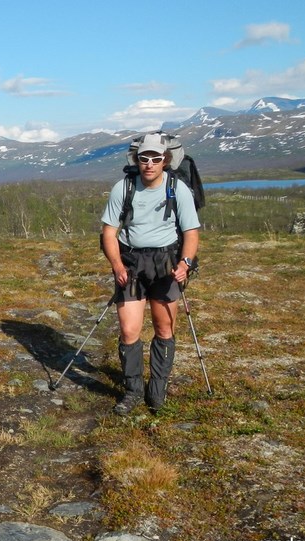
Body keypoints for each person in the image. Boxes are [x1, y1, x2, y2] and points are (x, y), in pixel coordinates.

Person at [100, 132, 201, 415]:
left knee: (164, 328)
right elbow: (109, 232)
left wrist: (185, 264)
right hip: (131, 263)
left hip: (166, 264)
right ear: (137, 159)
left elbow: (191, 232)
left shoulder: (178, 189)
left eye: (156, 158)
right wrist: (117, 266)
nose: (149, 164)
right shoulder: (123, 188)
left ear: (165, 160)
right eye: (144, 158)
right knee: (129, 330)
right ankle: (132, 391)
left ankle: (157, 389)